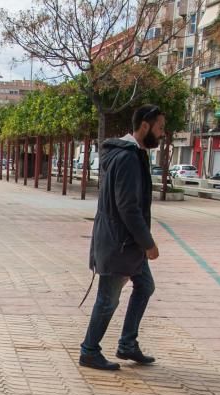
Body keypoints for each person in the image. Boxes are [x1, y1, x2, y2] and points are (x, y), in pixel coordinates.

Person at [80, 104, 165, 371]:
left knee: (145, 286)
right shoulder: (127, 157)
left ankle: (128, 343)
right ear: (145, 125)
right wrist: (148, 243)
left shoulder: (131, 154)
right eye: (160, 128)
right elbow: (128, 206)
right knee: (107, 299)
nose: (162, 134)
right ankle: (89, 351)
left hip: (125, 243)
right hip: (120, 243)